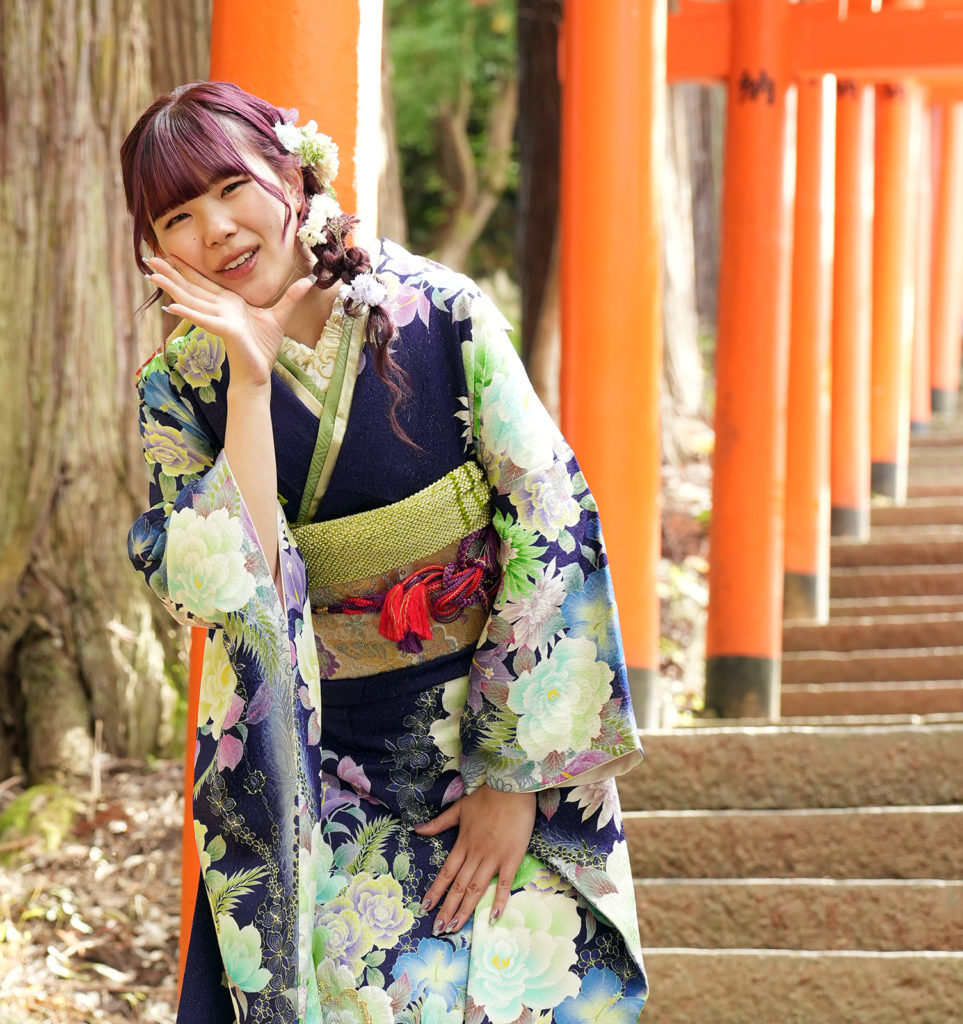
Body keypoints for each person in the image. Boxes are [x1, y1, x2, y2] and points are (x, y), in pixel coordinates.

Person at [122, 80, 647, 1024]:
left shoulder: (440, 313)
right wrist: (249, 383)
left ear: (293, 173)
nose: (217, 230)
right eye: (178, 217)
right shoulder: (179, 389)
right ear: (155, 249)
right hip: (316, 768)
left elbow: (549, 517)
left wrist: (513, 780)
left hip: (487, 730)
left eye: (232, 188)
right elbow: (228, 593)